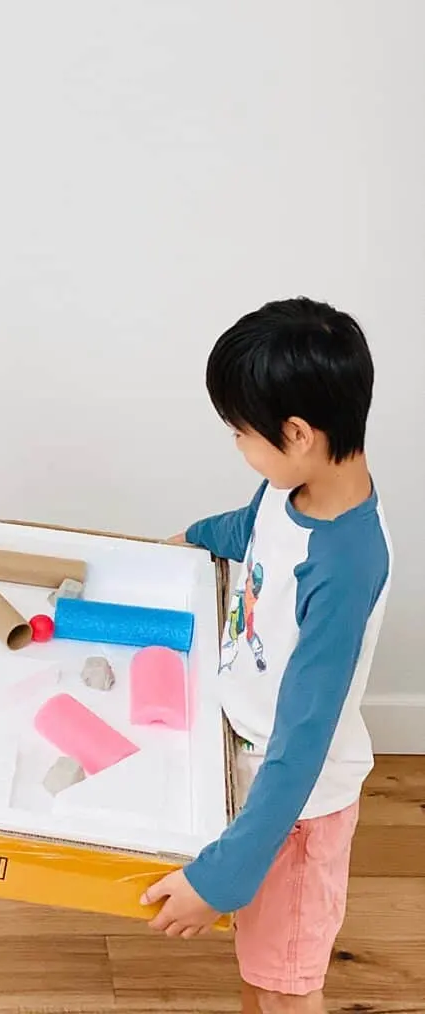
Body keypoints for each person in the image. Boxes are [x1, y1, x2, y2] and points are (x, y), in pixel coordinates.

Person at [141, 299, 392, 1014]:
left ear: (297, 433)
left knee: (282, 988)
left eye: (240, 433)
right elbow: (251, 530)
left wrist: (220, 879)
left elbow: (302, 745)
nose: (238, 447)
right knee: (262, 970)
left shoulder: (343, 567)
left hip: (298, 808)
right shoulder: (291, 489)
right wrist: (193, 539)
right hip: (248, 766)